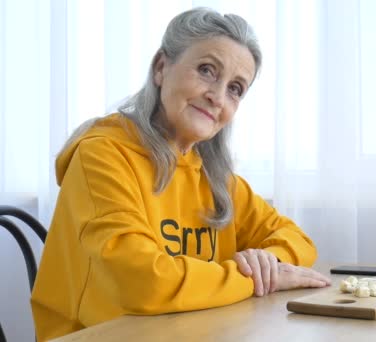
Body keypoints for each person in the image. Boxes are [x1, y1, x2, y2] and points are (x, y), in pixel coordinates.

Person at [31, 7, 331, 341]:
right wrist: (249, 278)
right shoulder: (101, 155)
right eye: (207, 70)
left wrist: (266, 264)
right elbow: (145, 283)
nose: (217, 97)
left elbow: (298, 241)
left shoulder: (213, 175)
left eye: (235, 88)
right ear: (161, 67)